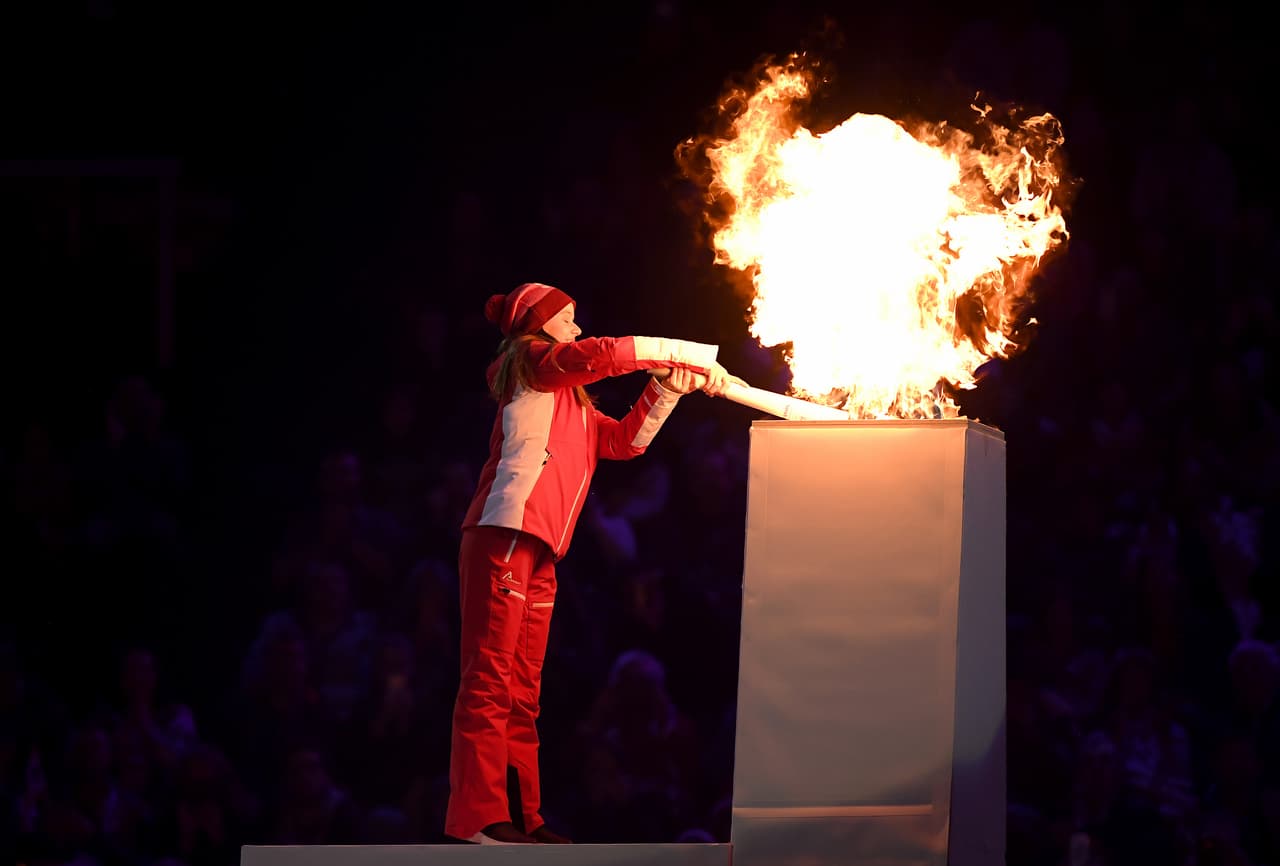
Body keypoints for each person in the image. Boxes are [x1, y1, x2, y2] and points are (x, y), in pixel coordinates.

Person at [444, 281, 735, 845]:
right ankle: (475, 818)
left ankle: (523, 818)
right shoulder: (529, 364)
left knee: (524, 689)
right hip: (504, 531)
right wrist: (689, 354)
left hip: (543, 548)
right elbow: (601, 354)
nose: (577, 328)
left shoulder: (572, 404)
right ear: (541, 324)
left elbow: (626, 443)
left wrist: (667, 387)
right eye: (569, 318)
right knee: (489, 678)